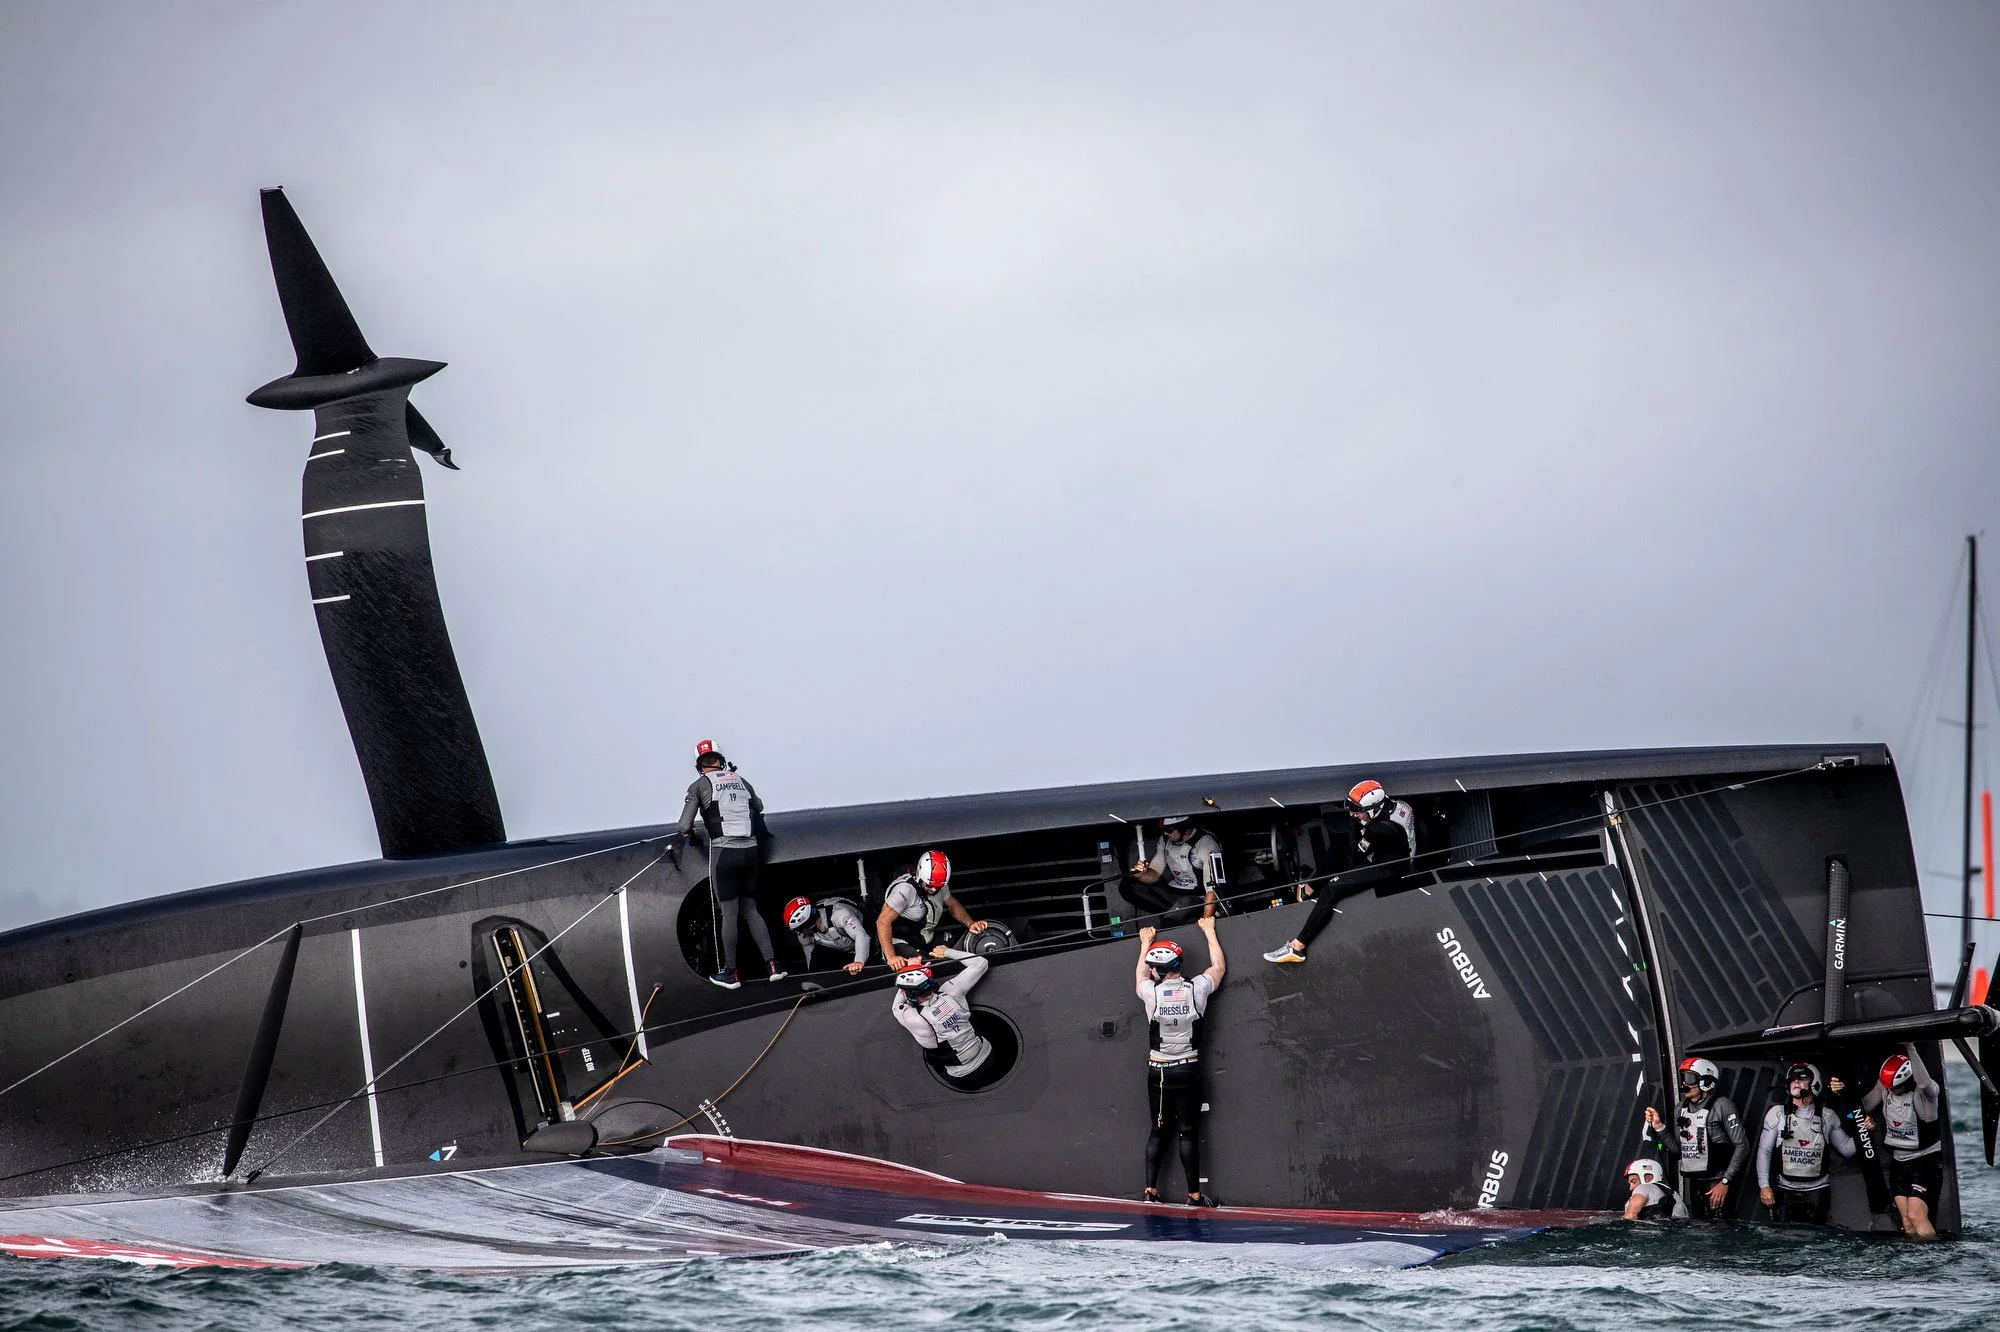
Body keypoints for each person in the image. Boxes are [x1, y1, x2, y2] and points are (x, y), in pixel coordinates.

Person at [1264, 779, 1416, 965]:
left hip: (1388, 868)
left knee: (1331, 889)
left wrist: (1354, 824)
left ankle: (1297, 948)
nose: (1352, 813)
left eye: (1357, 810)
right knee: (1336, 850)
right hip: (1392, 850)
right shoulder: (1400, 805)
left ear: (1373, 809)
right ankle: (1308, 889)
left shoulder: (1377, 829)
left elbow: (1356, 852)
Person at [1135, 903, 1226, 1207]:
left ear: (1157, 971)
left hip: (1158, 1071)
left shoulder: (1150, 993)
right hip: (1187, 1068)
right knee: (1187, 1132)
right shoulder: (1196, 988)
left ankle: (1150, 1191)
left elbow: (1140, 977)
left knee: (1157, 1131)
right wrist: (1209, 932)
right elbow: (1218, 968)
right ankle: (1194, 1196)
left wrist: (1145, 943)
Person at [679, 739, 783, 990]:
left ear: (699, 765)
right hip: (751, 851)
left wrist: (691, 835)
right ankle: (773, 967)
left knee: (729, 914)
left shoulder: (699, 785)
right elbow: (759, 806)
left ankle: (730, 973)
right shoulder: (740, 780)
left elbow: (684, 826)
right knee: (751, 910)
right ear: (720, 760)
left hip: (724, 852)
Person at [1641, 1056, 1749, 1219]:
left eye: (1690, 1078)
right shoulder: (1680, 1109)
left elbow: (1742, 1145)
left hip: (1717, 1183)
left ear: (1706, 1081)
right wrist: (1659, 1126)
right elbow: (1678, 1151)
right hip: (1695, 1184)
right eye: (1683, 1078)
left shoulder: (1722, 1106)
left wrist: (1725, 1182)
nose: (1684, 1083)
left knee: (1722, 1227)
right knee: (1698, 1226)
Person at [1756, 1061, 1856, 1225]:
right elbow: (1764, 1151)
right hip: (1785, 1191)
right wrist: (1764, 1186)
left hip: (1817, 1192)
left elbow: (1847, 1149)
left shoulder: (1827, 1116)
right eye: (1793, 1079)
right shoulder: (1777, 1114)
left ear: (1815, 1082)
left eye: (1802, 1078)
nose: (1796, 1082)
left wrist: (1864, 1129)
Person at [1861, 1045, 1943, 1239]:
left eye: (1896, 1087)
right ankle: (1913, 1255)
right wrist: (1841, 1089)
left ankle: (1932, 1253)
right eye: (1889, 1087)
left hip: (1924, 1162)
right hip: (1899, 1163)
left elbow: (1924, 1084)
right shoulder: (1885, 1089)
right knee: (1906, 1220)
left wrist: (1910, 1048)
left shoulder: (1925, 1094)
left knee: (1916, 1215)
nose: (1892, 1091)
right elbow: (1864, 1106)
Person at [890, 946, 992, 1079]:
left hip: (962, 1075)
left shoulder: (913, 1018)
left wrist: (911, 971)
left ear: (908, 994)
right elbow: (980, 963)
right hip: (987, 1054)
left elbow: (896, 1006)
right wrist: (946, 952)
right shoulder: (951, 991)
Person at [876, 850, 988, 969]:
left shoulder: (939, 884)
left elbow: (953, 905)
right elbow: (882, 922)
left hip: (925, 937)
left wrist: (970, 923)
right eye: (929, 885)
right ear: (920, 876)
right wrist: (891, 957)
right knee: (923, 966)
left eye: (938, 887)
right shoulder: (904, 890)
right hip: (900, 941)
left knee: (959, 946)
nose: (933, 890)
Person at [1126, 817, 1225, 926]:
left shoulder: (1206, 844)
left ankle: (1180, 916)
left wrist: (1206, 922)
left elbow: (1213, 890)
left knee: (1169, 922)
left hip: (1197, 895)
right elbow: (1155, 875)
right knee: (1128, 886)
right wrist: (1141, 874)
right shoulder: (1165, 840)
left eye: (1169, 830)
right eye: (1163, 830)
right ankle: (1177, 913)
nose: (1165, 833)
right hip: (1175, 889)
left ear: (1184, 828)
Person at [784, 895, 872, 975]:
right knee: (818, 954)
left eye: (800, 929)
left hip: (871, 944)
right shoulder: (803, 935)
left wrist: (859, 961)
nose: (799, 933)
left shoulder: (839, 914)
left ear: (808, 923)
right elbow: (811, 960)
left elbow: (861, 935)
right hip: (845, 952)